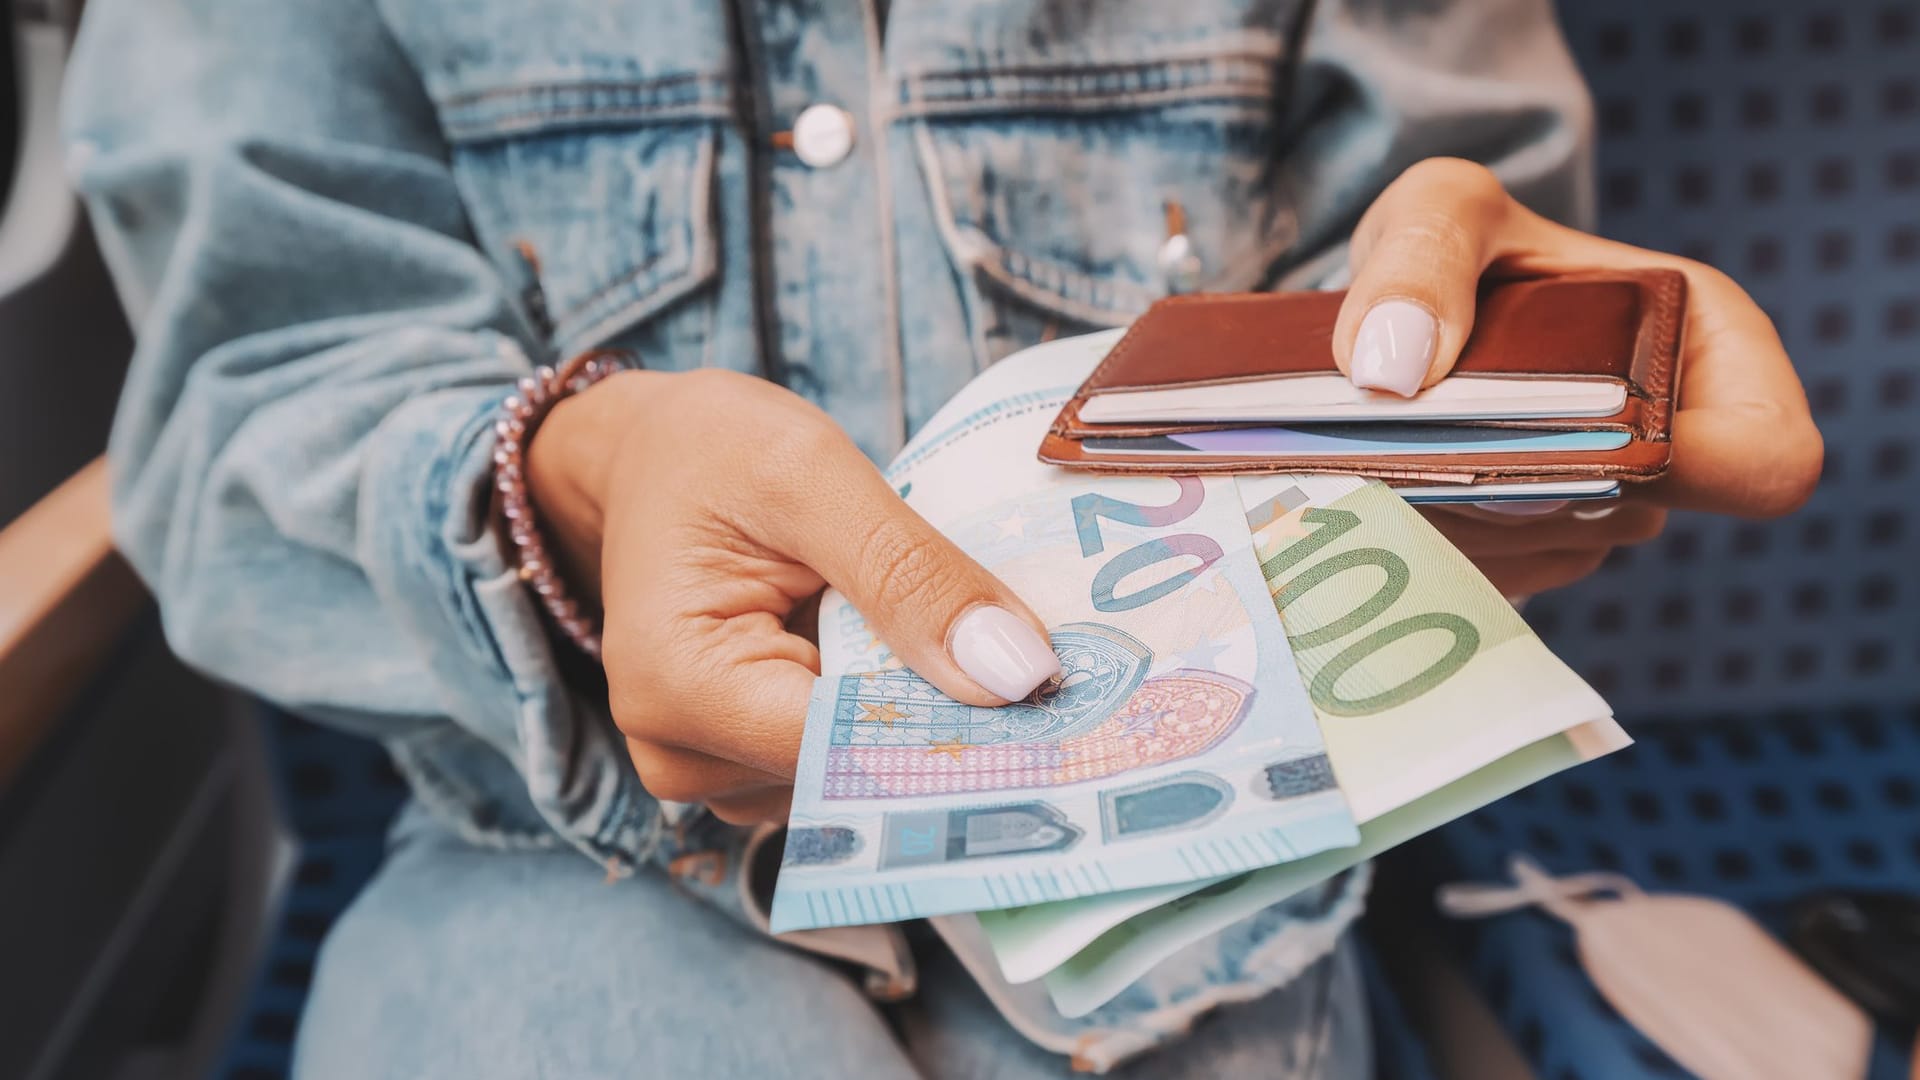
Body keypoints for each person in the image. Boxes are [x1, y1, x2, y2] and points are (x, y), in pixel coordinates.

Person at [63, 0, 1821, 1076]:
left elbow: (1417, 252)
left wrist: (1481, 416)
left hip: (1207, 902)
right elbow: (247, 387)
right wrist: (570, 485)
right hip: (552, 853)